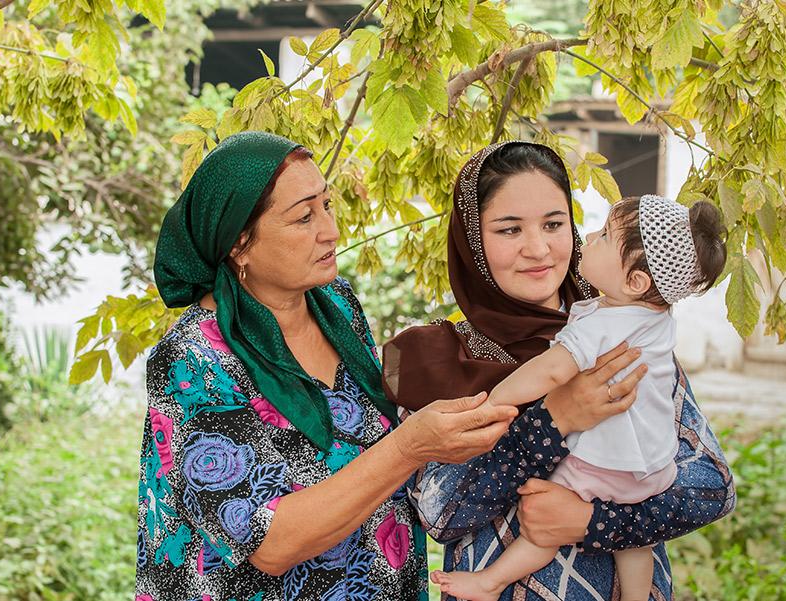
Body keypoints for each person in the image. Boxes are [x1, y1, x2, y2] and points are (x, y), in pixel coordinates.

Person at [135, 131, 627, 600]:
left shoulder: (336, 307)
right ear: (239, 242)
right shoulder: (191, 363)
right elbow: (271, 542)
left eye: (326, 205)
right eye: (304, 218)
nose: (331, 230)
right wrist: (410, 448)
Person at [384, 141, 736, 600]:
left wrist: (594, 522)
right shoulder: (434, 360)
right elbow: (441, 511)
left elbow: (712, 486)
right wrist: (555, 419)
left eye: (554, 224)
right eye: (509, 230)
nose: (539, 248)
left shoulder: (623, 330)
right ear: (472, 240)